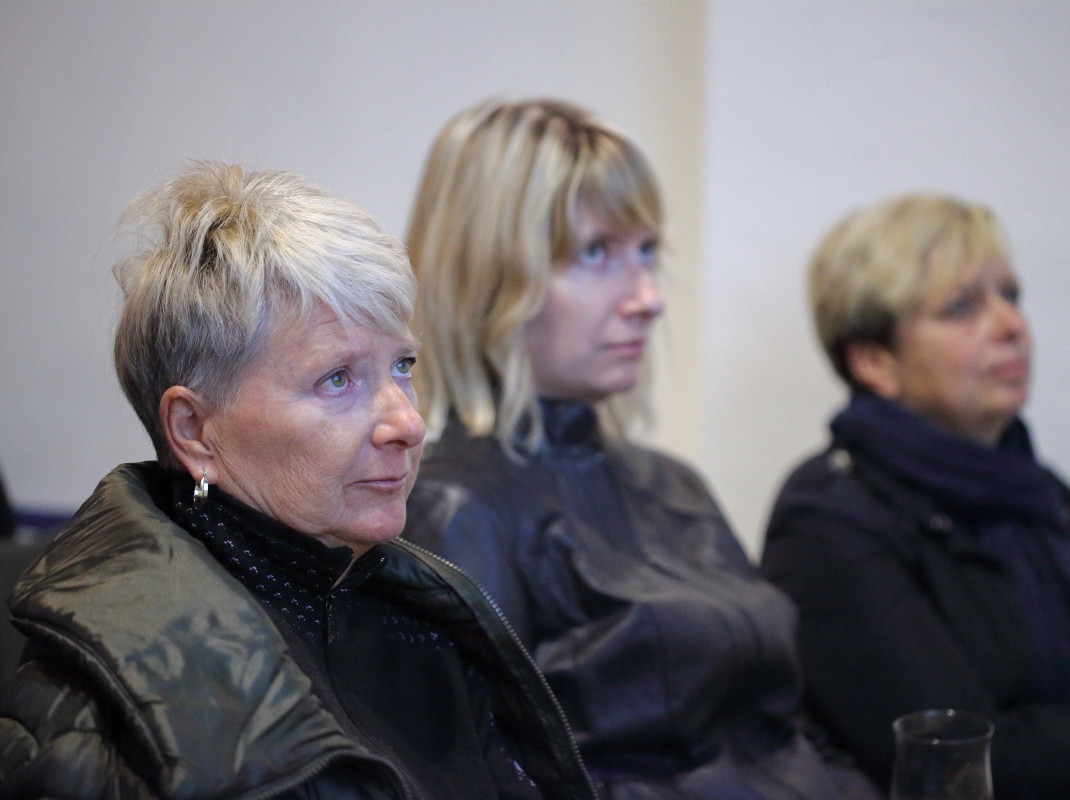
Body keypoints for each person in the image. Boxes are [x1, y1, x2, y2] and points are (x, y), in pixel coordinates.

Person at [0, 161, 596, 800]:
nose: (408, 423)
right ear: (194, 430)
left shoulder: (420, 615)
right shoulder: (110, 712)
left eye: (402, 365)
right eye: (337, 379)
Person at [401, 97, 879, 800]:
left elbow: (786, 731)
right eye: (595, 253)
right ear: (489, 278)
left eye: (647, 251)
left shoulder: (675, 484)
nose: (648, 297)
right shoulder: (455, 509)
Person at [760, 192, 1070, 800]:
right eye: (962, 307)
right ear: (875, 361)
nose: (1010, 325)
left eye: (1010, 295)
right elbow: (964, 765)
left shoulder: (1045, 495)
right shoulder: (829, 519)